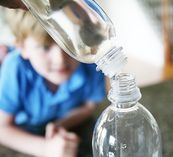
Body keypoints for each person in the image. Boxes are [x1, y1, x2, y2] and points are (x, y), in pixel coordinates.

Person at [0, 9, 106, 157]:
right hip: (25, 129)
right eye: (45, 47)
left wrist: (60, 124)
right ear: (22, 47)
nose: (60, 60)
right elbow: (3, 128)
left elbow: (89, 107)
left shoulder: (91, 63)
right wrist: (45, 149)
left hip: (67, 123)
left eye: (69, 43)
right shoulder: (15, 69)